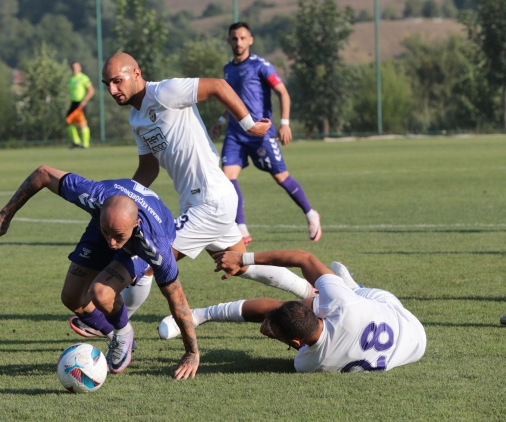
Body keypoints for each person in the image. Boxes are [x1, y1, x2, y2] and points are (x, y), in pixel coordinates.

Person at [69, 52, 317, 344]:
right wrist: (119, 202)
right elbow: (148, 168)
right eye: (107, 83)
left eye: (117, 81)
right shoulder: (137, 118)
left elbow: (218, 86)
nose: (112, 90)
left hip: (211, 201)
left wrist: (249, 124)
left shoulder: (164, 92)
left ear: (136, 73)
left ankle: (118, 328)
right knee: (240, 264)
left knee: (150, 257)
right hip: (199, 203)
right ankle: (310, 293)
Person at [0, 165, 199, 380]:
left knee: (101, 292)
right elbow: (43, 174)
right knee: (72, 298)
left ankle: (123, 333)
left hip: (141, 241)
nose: (112, 243)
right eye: (108, 234)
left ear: (135, 223)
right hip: (108, 221)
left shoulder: (155, 245)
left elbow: (177, 298)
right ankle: (118, 334)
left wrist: (192, 352)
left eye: (118, 236)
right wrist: (4, 216)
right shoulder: (93, 196)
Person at [158, 251, 426, 373]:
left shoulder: (306, 363)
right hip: (408, 330)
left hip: (402, 333)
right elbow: (304, 258)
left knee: (288, 307)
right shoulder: (340, 311)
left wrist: (275, 329)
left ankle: (201, 314)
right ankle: (350, 285)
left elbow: (303, 259)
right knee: (337, 294)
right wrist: (244, 258)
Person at [209, 22, 321, 244]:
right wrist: (221, 121)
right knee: (228, 177)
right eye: (234, 38)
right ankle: (241, 228)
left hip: (260, 132)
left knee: (281, 177)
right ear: (229, 41)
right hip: (235, 132)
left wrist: (285, 123)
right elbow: (231, 101)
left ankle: (310, 214)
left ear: (250, 40)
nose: (238, 42)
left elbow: (283, 93)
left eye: (242, 38)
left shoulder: (261, 66)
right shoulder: (227, 69)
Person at [67, 62, 94, 149]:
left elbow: (91, 91)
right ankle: (76, 142)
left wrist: (85, 100)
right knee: (68, 122)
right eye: (73, 67)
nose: (74, 69)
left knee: (82, 123)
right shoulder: (72, 78)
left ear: (80, 68)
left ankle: (85, 145)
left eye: (76, 67)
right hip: (73, 103)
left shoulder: (83, 78)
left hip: (80, 103)